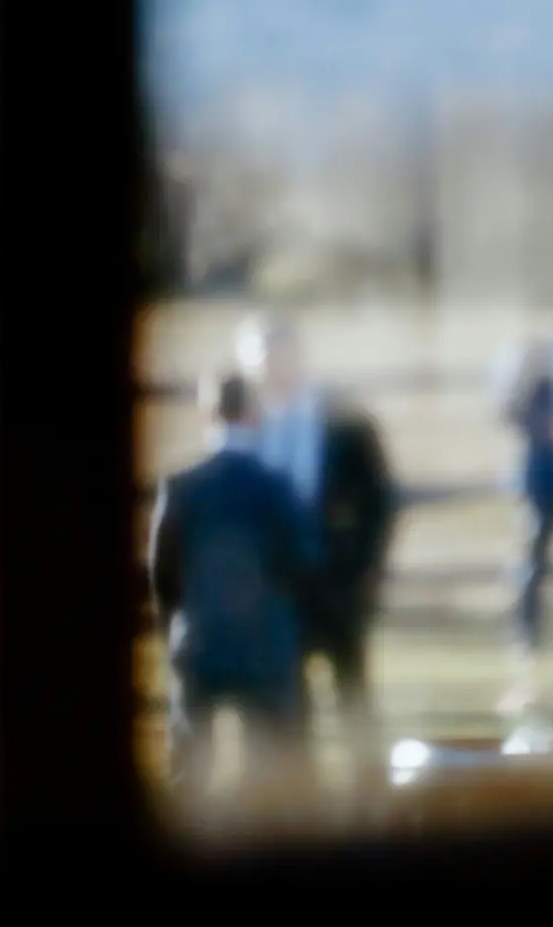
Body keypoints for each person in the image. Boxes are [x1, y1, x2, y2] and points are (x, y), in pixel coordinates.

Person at [232, 312, 401, 771]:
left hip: (337, 583)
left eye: (278, 355)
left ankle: (372, 799)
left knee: (352, 693)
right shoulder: (239, 424)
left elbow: (379, 502)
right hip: (273, 589)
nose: (271, 368)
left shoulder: (341, 418)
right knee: (286, 703)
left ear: (297, 357)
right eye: (260, 359)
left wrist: (363, 571)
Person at [147, 371, 317, 797]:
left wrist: (175, 624)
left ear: (208, 414)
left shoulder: (181, 487)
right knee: (273, 780)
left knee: (190, 774)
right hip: (265, 644)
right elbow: (301, 561)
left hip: (200, 640)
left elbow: (161, 568)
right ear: (255, 416)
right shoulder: (277, 487)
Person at [492, 309, 553, 662]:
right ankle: (525, 633)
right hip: (540, 478)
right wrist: (544, 426)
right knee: (533, 558)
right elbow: (508, 409)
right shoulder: (533, 367)